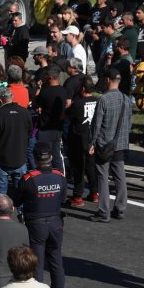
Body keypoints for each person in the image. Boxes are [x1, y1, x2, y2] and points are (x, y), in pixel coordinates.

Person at [18, 145, 68, 288]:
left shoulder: (29, 179)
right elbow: (63, 199)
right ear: (51, 158)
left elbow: (18, 200)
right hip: (55, 223)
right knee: (56, 262)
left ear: (36, 159)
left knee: (37, 263)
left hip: (36, 224)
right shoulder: (59, 177)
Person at [89, 68, 130, 223]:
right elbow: (129, 122)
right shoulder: (126, 99)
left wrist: (92, 142)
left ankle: (103, 211)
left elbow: (96, 125)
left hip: (104, 144)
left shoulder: (103, 100)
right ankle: (120, 208)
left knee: (102, 176)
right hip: (120, 143)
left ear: (107, 80)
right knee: (120, 176)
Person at [0, 86, 32, 200]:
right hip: (20, 158)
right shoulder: (25, 112)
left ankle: (2, 212)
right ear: (11, 97)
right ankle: (21, 213)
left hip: (2, 159)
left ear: (1, 99)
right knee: (21, 193)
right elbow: (29, 134)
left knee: (1, 195)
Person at [66, 77, 98, 207]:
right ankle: (95, 192)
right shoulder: (98, 101)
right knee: (91, 166)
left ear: (83, 88)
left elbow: (66, 114)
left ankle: (78, 196)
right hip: (92, 138)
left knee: (79, 168)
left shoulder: (78, 103)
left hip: (78, 138)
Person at [33, 67, 68, 174]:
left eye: (46, 76)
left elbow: (35, 104)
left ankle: (45, 176)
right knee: (56, 153)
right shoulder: (63, 90)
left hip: (45, 128)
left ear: (50, 77)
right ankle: (60, 176)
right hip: (58, 128)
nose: (45, 77)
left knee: (43, 154)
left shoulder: (45, 92)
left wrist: (38, 88)